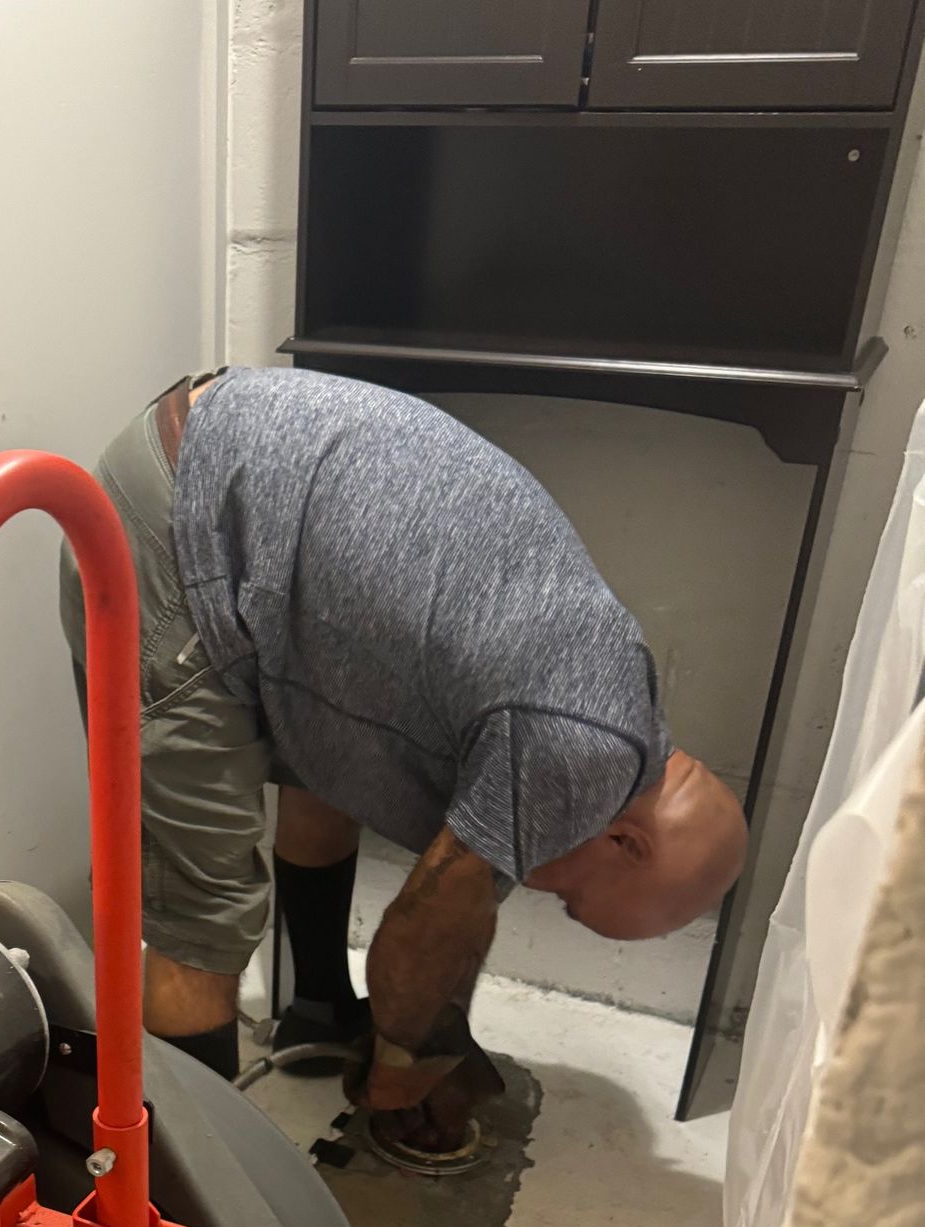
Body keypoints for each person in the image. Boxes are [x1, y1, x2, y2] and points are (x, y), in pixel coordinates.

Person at [60, 367, 748, 1154]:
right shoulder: (575, 756)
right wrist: (405, 1066)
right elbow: (425, 927)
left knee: (334, 775)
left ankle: (316, 1004)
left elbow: (458, 902)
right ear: (627, 842)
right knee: (203, 918)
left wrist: (423, 1038)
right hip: (174, 522)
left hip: (248, 471)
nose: (540, 893)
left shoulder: (620, 706)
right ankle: (196, 1203)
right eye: (569, 902)